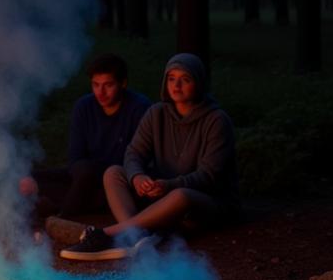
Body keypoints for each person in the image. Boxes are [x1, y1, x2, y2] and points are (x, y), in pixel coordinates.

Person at [61, 52, 241, 261]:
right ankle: (137, 236)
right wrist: (137, 176)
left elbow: (209, 176)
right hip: (163, 195)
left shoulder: (216, 120)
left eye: (185, 79)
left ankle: (108, 234)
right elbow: (133, 153)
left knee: (181, 195)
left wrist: (169, 185)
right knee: (114, 173)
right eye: (172, 79)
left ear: (198, 83)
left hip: (208, 201)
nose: (177, 86)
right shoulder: (157, 113)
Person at [21, 53, 150, 225]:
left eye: (108, 85)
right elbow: (75, 159)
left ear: (123, 83)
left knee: (89, 176)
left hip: (118, 181)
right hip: (83, 177)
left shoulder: (139, 109)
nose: (101, 92)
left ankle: (61, 216)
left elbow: (135, 160)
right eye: (96, 85)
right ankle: (59, 205)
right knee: (30, 177)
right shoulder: (84, 107)